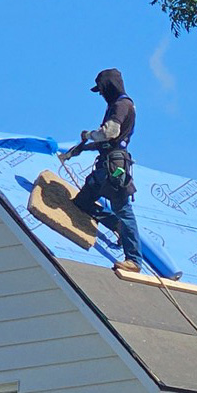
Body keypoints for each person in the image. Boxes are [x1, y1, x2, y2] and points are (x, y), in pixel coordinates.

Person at [61, 69, 142, 273]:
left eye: (101, 90)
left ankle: (133, 260)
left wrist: (89, 134)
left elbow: (110, 133)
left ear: (109, 86)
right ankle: (116, 224)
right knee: (82, 202)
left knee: (123, 208)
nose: (100, 94)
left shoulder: (121, 105)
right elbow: (106, 141)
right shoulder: (116, 106)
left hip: (114, 169)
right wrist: (80, 149)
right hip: (105, 166)